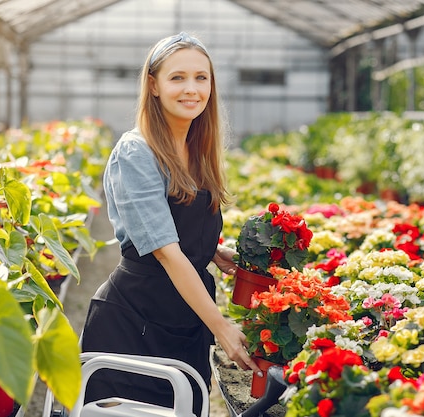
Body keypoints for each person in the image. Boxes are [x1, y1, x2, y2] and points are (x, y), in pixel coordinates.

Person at [80, 32, 262, 415]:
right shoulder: (136, 152)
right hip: (134, 321)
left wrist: (211, 252)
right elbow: (165, 251)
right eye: (177, 77)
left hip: (183, 319)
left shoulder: (196, 149)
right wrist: (222, 328)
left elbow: (175, 224)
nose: (192, 89)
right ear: (154, 85)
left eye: (202, 77)